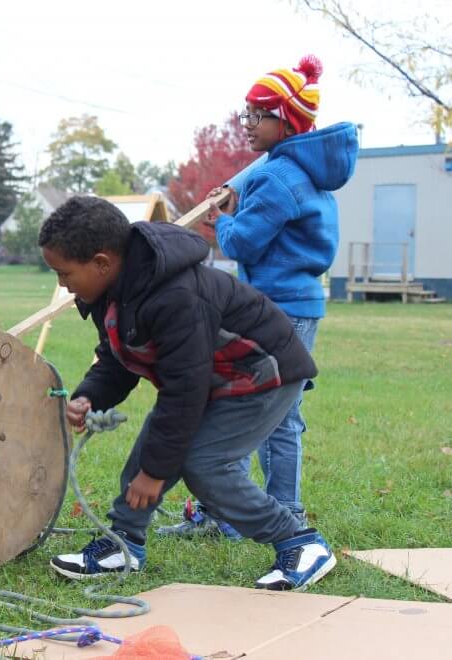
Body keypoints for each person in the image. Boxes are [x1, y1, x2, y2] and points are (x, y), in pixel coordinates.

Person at [42, 196, 336, 591]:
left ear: (101, 262)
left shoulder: (175, 297)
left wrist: (155, 473)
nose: (62, 284)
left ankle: (300, 542)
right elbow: (117, 357)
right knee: (154, 447)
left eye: (65, 274)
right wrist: (89, 396)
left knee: (205, 464)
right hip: (211, 379)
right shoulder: (111, 292)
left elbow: (184, 392)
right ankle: (123, 544)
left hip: (264, 374)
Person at [158, 55, 358, 539]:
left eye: (256, 114)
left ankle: (274, 512)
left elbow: (244, 243)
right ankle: (233, 510)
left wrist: (222, 217)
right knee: (257, 406)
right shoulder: (296, 172)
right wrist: (236, 201)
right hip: (290, 304)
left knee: (265, 411)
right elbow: (268, 216)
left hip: (277, 309)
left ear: (283, 120)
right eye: (245, 112)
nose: (246, 124)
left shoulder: (277, 177)